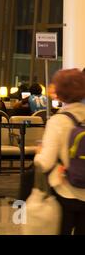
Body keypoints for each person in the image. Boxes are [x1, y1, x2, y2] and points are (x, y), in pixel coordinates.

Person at [34, 69, 85, 235]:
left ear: (60, 93)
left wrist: (38, 153)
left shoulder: (58, 121)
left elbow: (46, 162)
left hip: (66, 190)